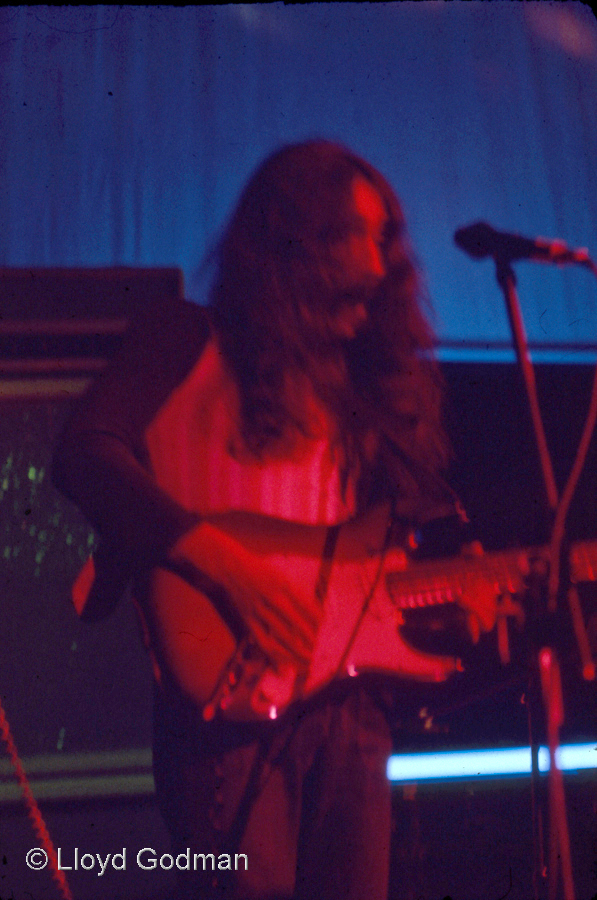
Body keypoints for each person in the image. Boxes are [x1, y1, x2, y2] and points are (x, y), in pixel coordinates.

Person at [53, 139, 496, 900]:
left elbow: (387, 564)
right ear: (288, 245)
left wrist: (458, 604)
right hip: (225, 715)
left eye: (381, 235)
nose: (374, 259)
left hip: (353, 712)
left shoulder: (369, 393)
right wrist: (222, 564)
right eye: (348, 235)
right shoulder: (184, 339)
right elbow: (85, 455)